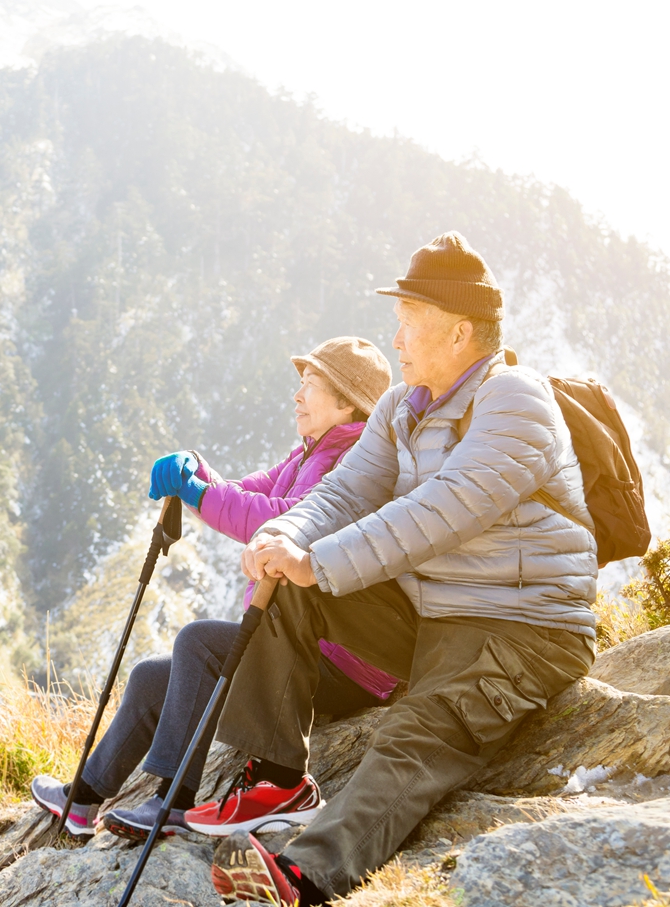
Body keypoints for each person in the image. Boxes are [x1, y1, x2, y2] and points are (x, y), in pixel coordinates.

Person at [188, 232, 597, 906]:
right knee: (287, 578)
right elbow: (345, 493)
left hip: (521, 627)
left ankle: (305, 876)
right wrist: (283, 535)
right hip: (430, 615)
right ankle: (276, 777)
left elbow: (442, 511)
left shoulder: (515, 400)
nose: (397, 340)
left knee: (420, 730)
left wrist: (318, 560)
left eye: (409, 324)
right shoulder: (400, 406)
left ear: (461, 331)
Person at [30, 336, 395, 839]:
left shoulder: (351, 463)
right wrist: (197, 473)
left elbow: (282, 518)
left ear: (348, 403)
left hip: (337, 658)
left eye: (310, 385)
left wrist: (200, 492)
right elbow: (246, 493)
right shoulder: (310, 453)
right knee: (151, 676)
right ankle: (82, 799)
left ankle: (173, 803)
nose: (296, 395)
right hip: (296, 646)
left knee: (198, 644)